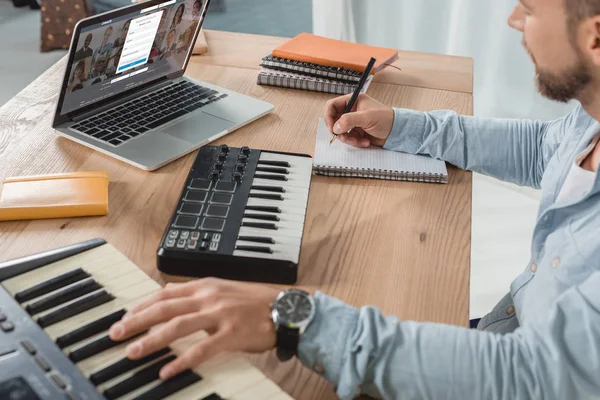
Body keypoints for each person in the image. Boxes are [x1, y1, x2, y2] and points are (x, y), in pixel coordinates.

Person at [109, 0, 600, 398]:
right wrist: (406, 126)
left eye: (530, 9)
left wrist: (299, 317)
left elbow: (533, 377)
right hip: (502, 332)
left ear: (594, 38)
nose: (513, 18)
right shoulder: (590, 117)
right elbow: (545, 148)